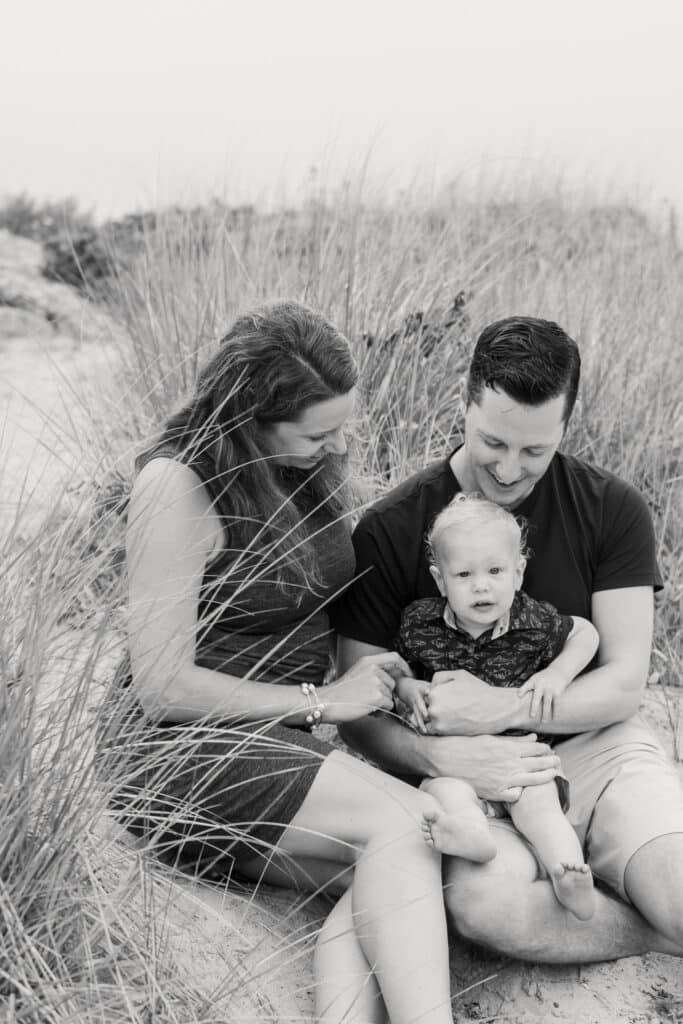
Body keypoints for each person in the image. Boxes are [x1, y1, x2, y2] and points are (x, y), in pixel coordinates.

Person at [99, 300, 463, 1024]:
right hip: (179, 752)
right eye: (316, 433)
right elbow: (163, 687)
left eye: (341, 428)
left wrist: (382, 677)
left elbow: (307, 611)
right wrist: (324, 702)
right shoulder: (177, 486)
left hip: (279, 742)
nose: (334, 447)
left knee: (409, 873)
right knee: (405, 822)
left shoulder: (299, 470)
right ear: (247, 416)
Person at [332, 315, 683, 963]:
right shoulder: (391, 529)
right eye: (491, 441)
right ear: (462, 404)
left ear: (563, 428)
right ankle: (655, 935)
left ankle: (663, 916)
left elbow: (623, 683)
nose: (507, 468)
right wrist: (439, 757)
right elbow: (359, 710)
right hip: (469, 775)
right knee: (486, 909)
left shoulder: (611, 510)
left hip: (594, 750)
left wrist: (506, 706)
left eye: (533, 451)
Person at [394, 492, 599, 921]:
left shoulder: (533, 621)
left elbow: (585, 634)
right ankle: (473, 835)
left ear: (518, 572)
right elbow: (396, 669)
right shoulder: (420, 623)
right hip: (455, 764)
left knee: (541, 808)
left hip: (521, 757)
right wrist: (407, 688)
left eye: (494, 571)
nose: (481, 585)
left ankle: (568, 873)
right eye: (464, 574)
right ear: (440, 579)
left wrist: (557, 674)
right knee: (442, 793)